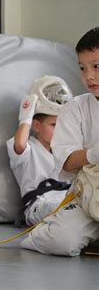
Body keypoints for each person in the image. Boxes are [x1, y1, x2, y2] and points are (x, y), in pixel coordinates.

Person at [21, 27, 99, 256]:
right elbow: (66, 162)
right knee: (62, 240)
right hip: (88, 194)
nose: (89, 76)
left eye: (97, 66)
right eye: (82, 68)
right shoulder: (75, 108)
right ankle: (42, 233)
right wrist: (94, 154)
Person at [6, 75, 73, 226]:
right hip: (40, 205)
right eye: (54, 124)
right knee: (64, 210)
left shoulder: (67, 150)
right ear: (36, 125)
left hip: (69, 199)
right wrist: (26, 117)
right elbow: (19, 146)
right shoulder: (29, 149)